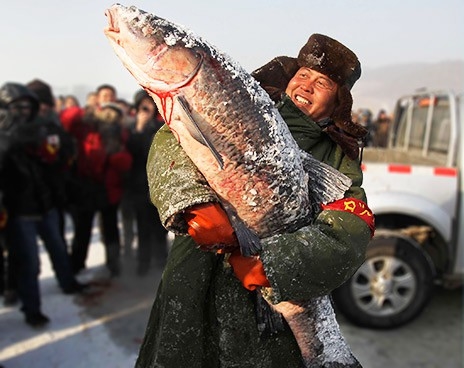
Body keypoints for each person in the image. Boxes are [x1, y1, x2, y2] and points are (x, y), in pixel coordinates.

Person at [135, 34, 375, 367]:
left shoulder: (339, 156)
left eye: (322, 83)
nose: (306, 85)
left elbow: (350, 230)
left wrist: (275, 265)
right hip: (194, 280)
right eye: (302, 74)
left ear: (339, 102)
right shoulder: (242, 106)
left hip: (269, 318)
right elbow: (172, 141)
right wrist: (192, 201)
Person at [0, 82, 88, 328]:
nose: (24, 111)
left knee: (59, 249)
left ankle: (68, 282)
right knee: (29, 262)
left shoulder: (43, 128)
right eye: (17, 107)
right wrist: (11, 139)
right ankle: (32, 309)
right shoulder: (4, 134)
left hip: (47, 204)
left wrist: (57, 152)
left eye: (28, 106)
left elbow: (60, 158)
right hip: (19, 211)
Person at [60, 99, 132, 277]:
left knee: (110, 230)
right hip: (86, 187)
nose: (108, 117)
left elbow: (126, 164)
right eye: (105, 112)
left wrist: (114, 154)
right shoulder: (86, 130)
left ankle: (114, 264)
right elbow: (66, 120)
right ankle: (77, 264)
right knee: (82, 229)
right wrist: (83, 111)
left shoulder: (121, 134)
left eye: (113, 114)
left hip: (109, 189)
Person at [124, 89, 167, 275]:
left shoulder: (163, 125)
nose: (147, 107)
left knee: (160, 228)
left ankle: (161, 261)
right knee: (142, 229)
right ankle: (143, 263)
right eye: (142, 104)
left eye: (150, 103)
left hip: (159, 185)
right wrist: (139, 128)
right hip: (139, 186)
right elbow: (129, 154)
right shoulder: (131, 128)